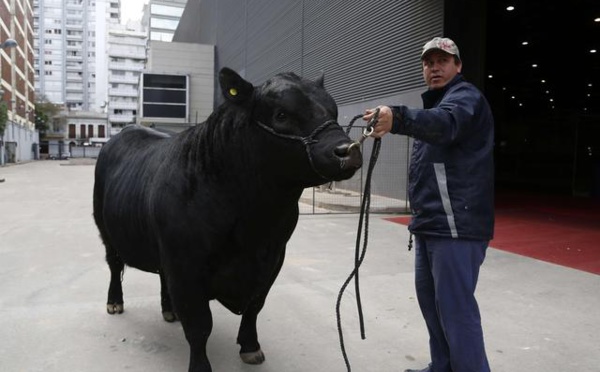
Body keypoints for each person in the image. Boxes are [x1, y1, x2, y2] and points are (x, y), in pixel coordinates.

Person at [363, 37, 494, 372]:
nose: (435, 67)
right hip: (429, 227)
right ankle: (443, 367)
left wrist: (399, 118)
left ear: (458, 65)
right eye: (428, 62)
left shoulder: (464, 99)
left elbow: (447, 124)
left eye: (443, 61)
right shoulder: (438, 106)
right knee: (434, 309)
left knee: (456, 311)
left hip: (455, 228)